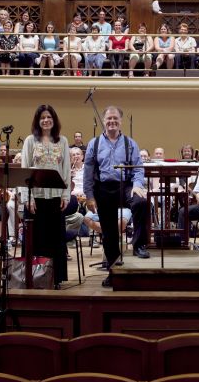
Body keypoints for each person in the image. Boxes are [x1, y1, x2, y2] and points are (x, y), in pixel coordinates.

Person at [83, 105, 150, 287]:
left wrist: (137, 185)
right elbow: (88, 172)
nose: (112, 122)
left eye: (115, 119)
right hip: (103, 188)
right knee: (109, 233)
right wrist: (89, 195)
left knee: (141, 202)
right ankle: (113, 271)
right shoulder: (94, 144)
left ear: (120, 122)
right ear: (104, 121)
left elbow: (138, 168)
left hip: (125, 185)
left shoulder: (131, 143)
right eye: (109, 119)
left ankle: (139, 245)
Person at [19, 105, 71, 287]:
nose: (46, 120)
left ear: (54, 120)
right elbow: (25, 170)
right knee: (35, 239)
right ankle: (33, 277)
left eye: (49, 117)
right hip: (36, 198)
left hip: (56, 198)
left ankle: (54, 278)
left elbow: (66, 170)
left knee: (54, 239)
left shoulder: (62, 141)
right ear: (37, 121)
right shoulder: (30, 141)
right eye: (42, 117)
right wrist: (27, 197)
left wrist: (66, 194)